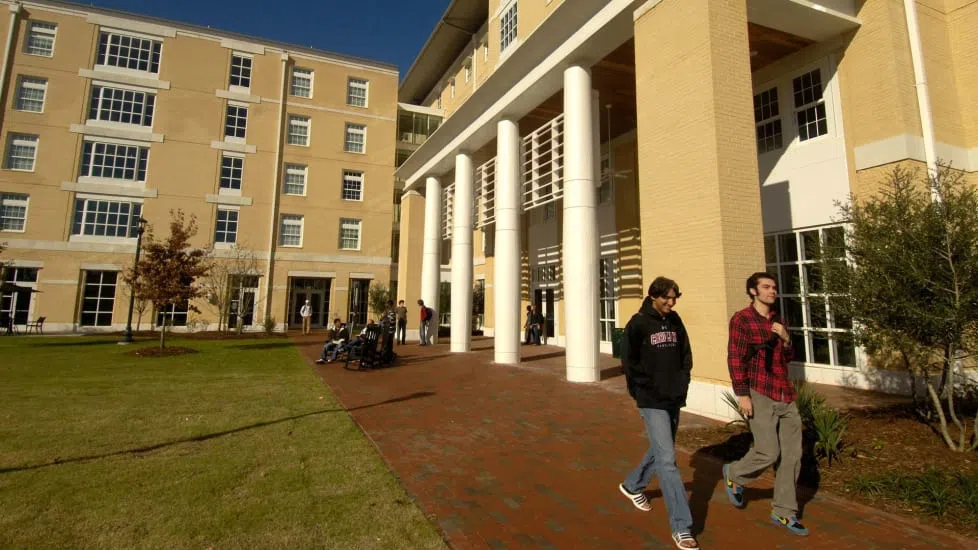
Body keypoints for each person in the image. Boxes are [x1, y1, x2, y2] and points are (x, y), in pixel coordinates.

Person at [723, 272, 808, 537]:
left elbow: (790, 356)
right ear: (753, 291)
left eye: (774, 286)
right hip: (759, 391)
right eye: (766, 287)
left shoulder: (779, 320)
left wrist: (786, 338)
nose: (772, 291)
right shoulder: (742, 319)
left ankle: (783, 512)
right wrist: (743, 394)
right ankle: (735, 474)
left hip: (785, 392)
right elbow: (735, 357)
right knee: (768, 451)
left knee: (793, 456)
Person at [619, 277, 698, 550]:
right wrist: (642, 389)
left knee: (660, 448)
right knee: (668, 460)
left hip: (674, 396)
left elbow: (685, 354)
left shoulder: (675, 321)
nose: (672, 302)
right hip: (651, 399)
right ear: (654, 296)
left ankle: (632, 485)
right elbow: (628, 361)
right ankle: (682, 526)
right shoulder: (638, 323)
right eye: (667, 297)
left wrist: (682, 380)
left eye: (675, 297)